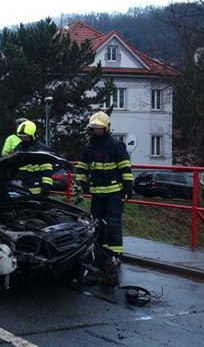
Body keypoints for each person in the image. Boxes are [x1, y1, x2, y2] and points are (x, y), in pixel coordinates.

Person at [76, 111, 133, 286]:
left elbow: (125, 167)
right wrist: (79, 187)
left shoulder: (116, 146)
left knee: (114, 223)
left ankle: (115, 256)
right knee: (97, 224)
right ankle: (100, 256)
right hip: (97, 194)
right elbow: (83, 169)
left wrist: (128, 187)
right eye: (94, 128)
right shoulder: (89, 148)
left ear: (106, 128)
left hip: (114, 192)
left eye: (100, 128)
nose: (97, 131)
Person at [13, 120, 53, 197]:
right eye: (22, 137)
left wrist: (45, 189)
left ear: (33, 136)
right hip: (20, 192)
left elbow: (47, 172)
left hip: (38, 194)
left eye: (26, 137)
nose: (23, 139)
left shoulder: (41, 150)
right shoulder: (18, 149)